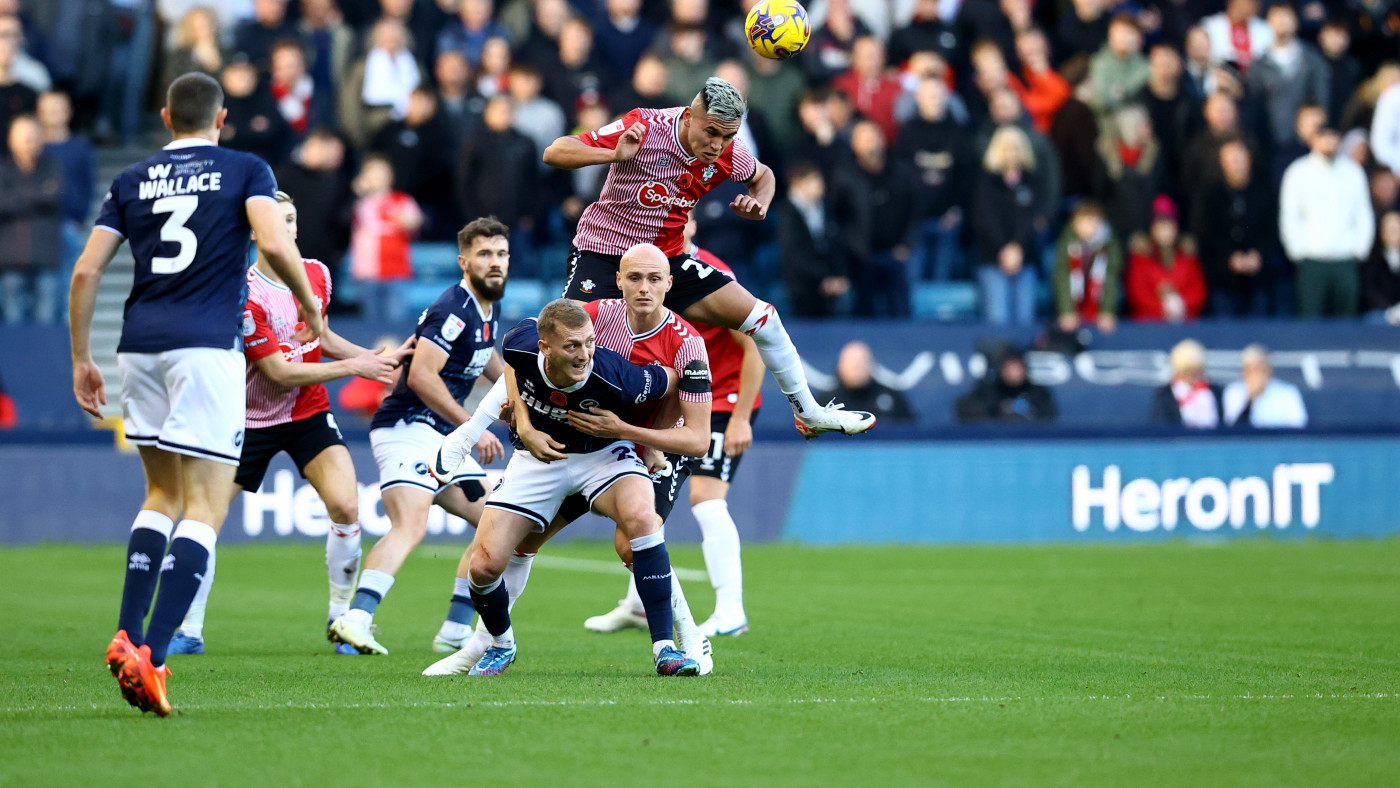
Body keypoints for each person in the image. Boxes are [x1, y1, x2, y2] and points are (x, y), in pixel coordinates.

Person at [71, 73, 324, 717]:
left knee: (160, 494)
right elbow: (272, 241)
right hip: (206, 346)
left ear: (164, 117)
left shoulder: (130, 180)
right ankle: (151, 656)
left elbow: (86, 269)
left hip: (138, 345)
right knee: (208, 506)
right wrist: (310, 308)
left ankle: (127, 631)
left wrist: (81, 357)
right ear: (222, 117)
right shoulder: (245, 168)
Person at [427, 242, 716, 675]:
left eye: (654, 279)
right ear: (618, 280)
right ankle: (485, 645)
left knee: (636, 533)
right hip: (559, 448)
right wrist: (522, 422)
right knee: (503, 553)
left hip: (640, 447)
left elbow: (696, 439)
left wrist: (638, 436)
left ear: (669, 284)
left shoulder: (686, 345)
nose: (643, 288)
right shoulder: (592, 316)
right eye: (634, 277)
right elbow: (520, 357)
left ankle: (685, 639)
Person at [541, 76, 875, 438]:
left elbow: (764, 176)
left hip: (666, 264)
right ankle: (530, 411)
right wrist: (613, 153)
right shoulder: (646, 126)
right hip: (603, 254)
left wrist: (759, 202)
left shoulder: (729, 154)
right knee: (568, 338)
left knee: (763, 317)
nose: (718, 146)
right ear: (688, 117)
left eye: (728, 136)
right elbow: (556, 151)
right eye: (712, 132)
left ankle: (808, 413)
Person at [166, 190, 412, 656]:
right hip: (245, 420)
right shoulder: (241, 293)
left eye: (293, 219)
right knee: (205, 520)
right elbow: (278, 372)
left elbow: (323, 338)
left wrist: (372, 357)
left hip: (306, 411)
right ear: (255, 233)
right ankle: (190, 630)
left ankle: (342, 621)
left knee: (345, 506)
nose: (288, 228)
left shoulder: (316, 274)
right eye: (277, 221)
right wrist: (352, 369)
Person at [327, 216, 510, 656]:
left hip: (443, 436)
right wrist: (473, 425)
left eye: (502, 254)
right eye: (485, 254)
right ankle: (355, 620)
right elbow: (424, 377)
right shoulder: (453, 310)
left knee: (498, 521)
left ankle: (453, 630)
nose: (495, 263)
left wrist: (522, 405)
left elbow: (492, 364)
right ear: (463, 261)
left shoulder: (488, 308)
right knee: (411, 525)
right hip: (407, 428)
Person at [582, 224, 760, 639]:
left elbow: (753, 345)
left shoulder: (713, 275)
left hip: (719, 402)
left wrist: (741, 418)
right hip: (667, 402)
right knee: (641, 508)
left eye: (678, 215)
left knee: (706, 498)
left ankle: (731, 608)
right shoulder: (643, 268)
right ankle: (637, 605)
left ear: (691, 222)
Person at [1279, 124, 1373, 318]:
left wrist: (1360, 250)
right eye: (1323, 137)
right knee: (1310, 320)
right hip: (1312, 259)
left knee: (1346, 320)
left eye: (1333, 137)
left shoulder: (1353, 172)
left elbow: (1363, 214)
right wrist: (1297, 251)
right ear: (1313, 140)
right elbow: (1290, 215)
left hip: (1346, 258)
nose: (1329, 142)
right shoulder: (1298, 172)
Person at [973, 125, 1041, 325]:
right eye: (1007, 147)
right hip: (993, 257)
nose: (1012, 153)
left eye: (1016, 147)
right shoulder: (985, 180)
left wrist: (1017, 247)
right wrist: (1005, 248)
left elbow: (1032, 217)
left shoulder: (1033, 180)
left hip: (1025, 257)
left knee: (1025, 319)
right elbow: (985, 217)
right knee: (997, 318)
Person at [0, 114, 62, 324]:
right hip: (10, 258)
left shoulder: (53, 165)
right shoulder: (3, 168)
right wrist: (38, 195)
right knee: (12, 322)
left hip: (45, 255)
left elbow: (55, 196)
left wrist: (16, 196)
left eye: (32, 137)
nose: (28, 142)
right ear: (10, 140)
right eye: (23, 137)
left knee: (46, 321)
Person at [349, 154, 421, 322]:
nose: (377, 178)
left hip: (397, 271)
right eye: (372, 173)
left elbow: (415, 221)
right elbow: (341, 218)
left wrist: (407, 221)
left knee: (395, 320)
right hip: (367, 272)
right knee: (369, 320)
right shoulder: (359, 202)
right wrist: (355, 192)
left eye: (381, 173)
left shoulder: (401, 199)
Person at [776, 161, 849, 317]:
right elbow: (793, 252)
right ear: (798, 183)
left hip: (827, 283)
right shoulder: (788, 213)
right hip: (802, 285)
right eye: (815, 180)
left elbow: (834, 244)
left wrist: (837, 276)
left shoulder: (823, 208)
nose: (821, 185)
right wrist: (822, 278)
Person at [1125, 196, 1207, 322]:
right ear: (1152, 228)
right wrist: (1162, 309)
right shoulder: (1141, 257)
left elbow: (1198, 291)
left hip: (1185, 323)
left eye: (1170, 226)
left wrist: (1181, 306)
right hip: (1148, 326)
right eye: (1161, 226)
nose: (1166, 231)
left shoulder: (1187, 256)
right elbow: (1137, 293)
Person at [1053, 200, 1124, 334]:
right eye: (1082, 222)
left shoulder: (1109, 245)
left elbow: (1110, 281)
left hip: (1097, 302)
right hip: (1075, 303)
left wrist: (1107, 311)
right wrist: (1067, 311)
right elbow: (1062, 278)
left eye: (1091, 222)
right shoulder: (1066, 242)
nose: (1086, 227)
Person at [821, 341, 917, 424]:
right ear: (840, 367)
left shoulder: (891, 398)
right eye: (852, 362)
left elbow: (912, 432)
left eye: (862, 361)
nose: (858, 366)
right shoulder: (824, 403)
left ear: (872, 365)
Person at [955, 346, 1056, 422]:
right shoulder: (989, 390)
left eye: (1017, 368)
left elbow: (1048, 415)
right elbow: (966, 410)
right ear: (1001, 370)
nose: (1014, 373)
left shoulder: (1036, 391)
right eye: (1010, 368)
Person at [1223, 344, 1308, 428]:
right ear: (1243, 371)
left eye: (1259, 368)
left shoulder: (1288, 392)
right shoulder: (1233, 392)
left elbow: (1298, 426)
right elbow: (1232, 428)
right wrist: (1251, 399)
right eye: (1250, 369)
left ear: (1269, 369)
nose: (1256, 374)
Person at [1150, 338, 1222, 428]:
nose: (1192, 376)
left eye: (1196, 371)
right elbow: (1161, 425)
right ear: (1178, 371)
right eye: (1187, 371)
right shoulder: (1165, 395)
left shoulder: (1215, 392)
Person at [1362, 210, 1400, 324]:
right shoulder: (1372, 260)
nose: (1394, 233)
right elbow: (1370, 291)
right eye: (1390, 229)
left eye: (1397, 229)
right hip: (1381, 313)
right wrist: (1390, 312)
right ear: (1382, 232)